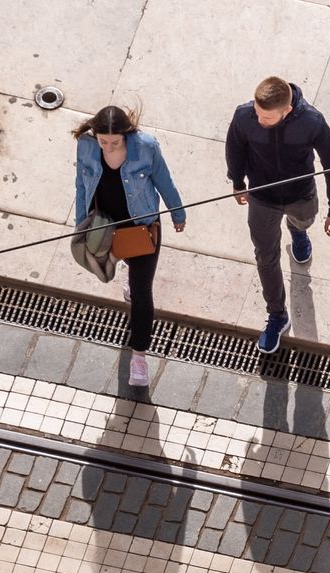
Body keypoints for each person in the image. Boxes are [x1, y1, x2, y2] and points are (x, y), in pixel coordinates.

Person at [227, 75, 330, 355]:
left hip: (300, 194)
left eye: (266, 117)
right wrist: (237, 181)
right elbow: (234, 147)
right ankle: (277, 315)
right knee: (265, 257)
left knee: (303, 220)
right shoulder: (244, 116)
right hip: (262, 197)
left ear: (287, 110)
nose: (258, 121)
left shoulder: (312, 122)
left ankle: (298, 231)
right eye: (257, 113)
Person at [71, 105, 186, 388]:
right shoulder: (85, 146)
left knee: (142, 291)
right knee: (117, 264)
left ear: (126, 134)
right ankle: (130, 283)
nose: (109, 147)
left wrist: (177, 213)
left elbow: (164, 181)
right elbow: (81, 186)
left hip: (141, 226)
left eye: (115, 142)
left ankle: (138, 355)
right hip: (104, 226)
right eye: (103, 142)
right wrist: (80, 226)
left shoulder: (145, 147)